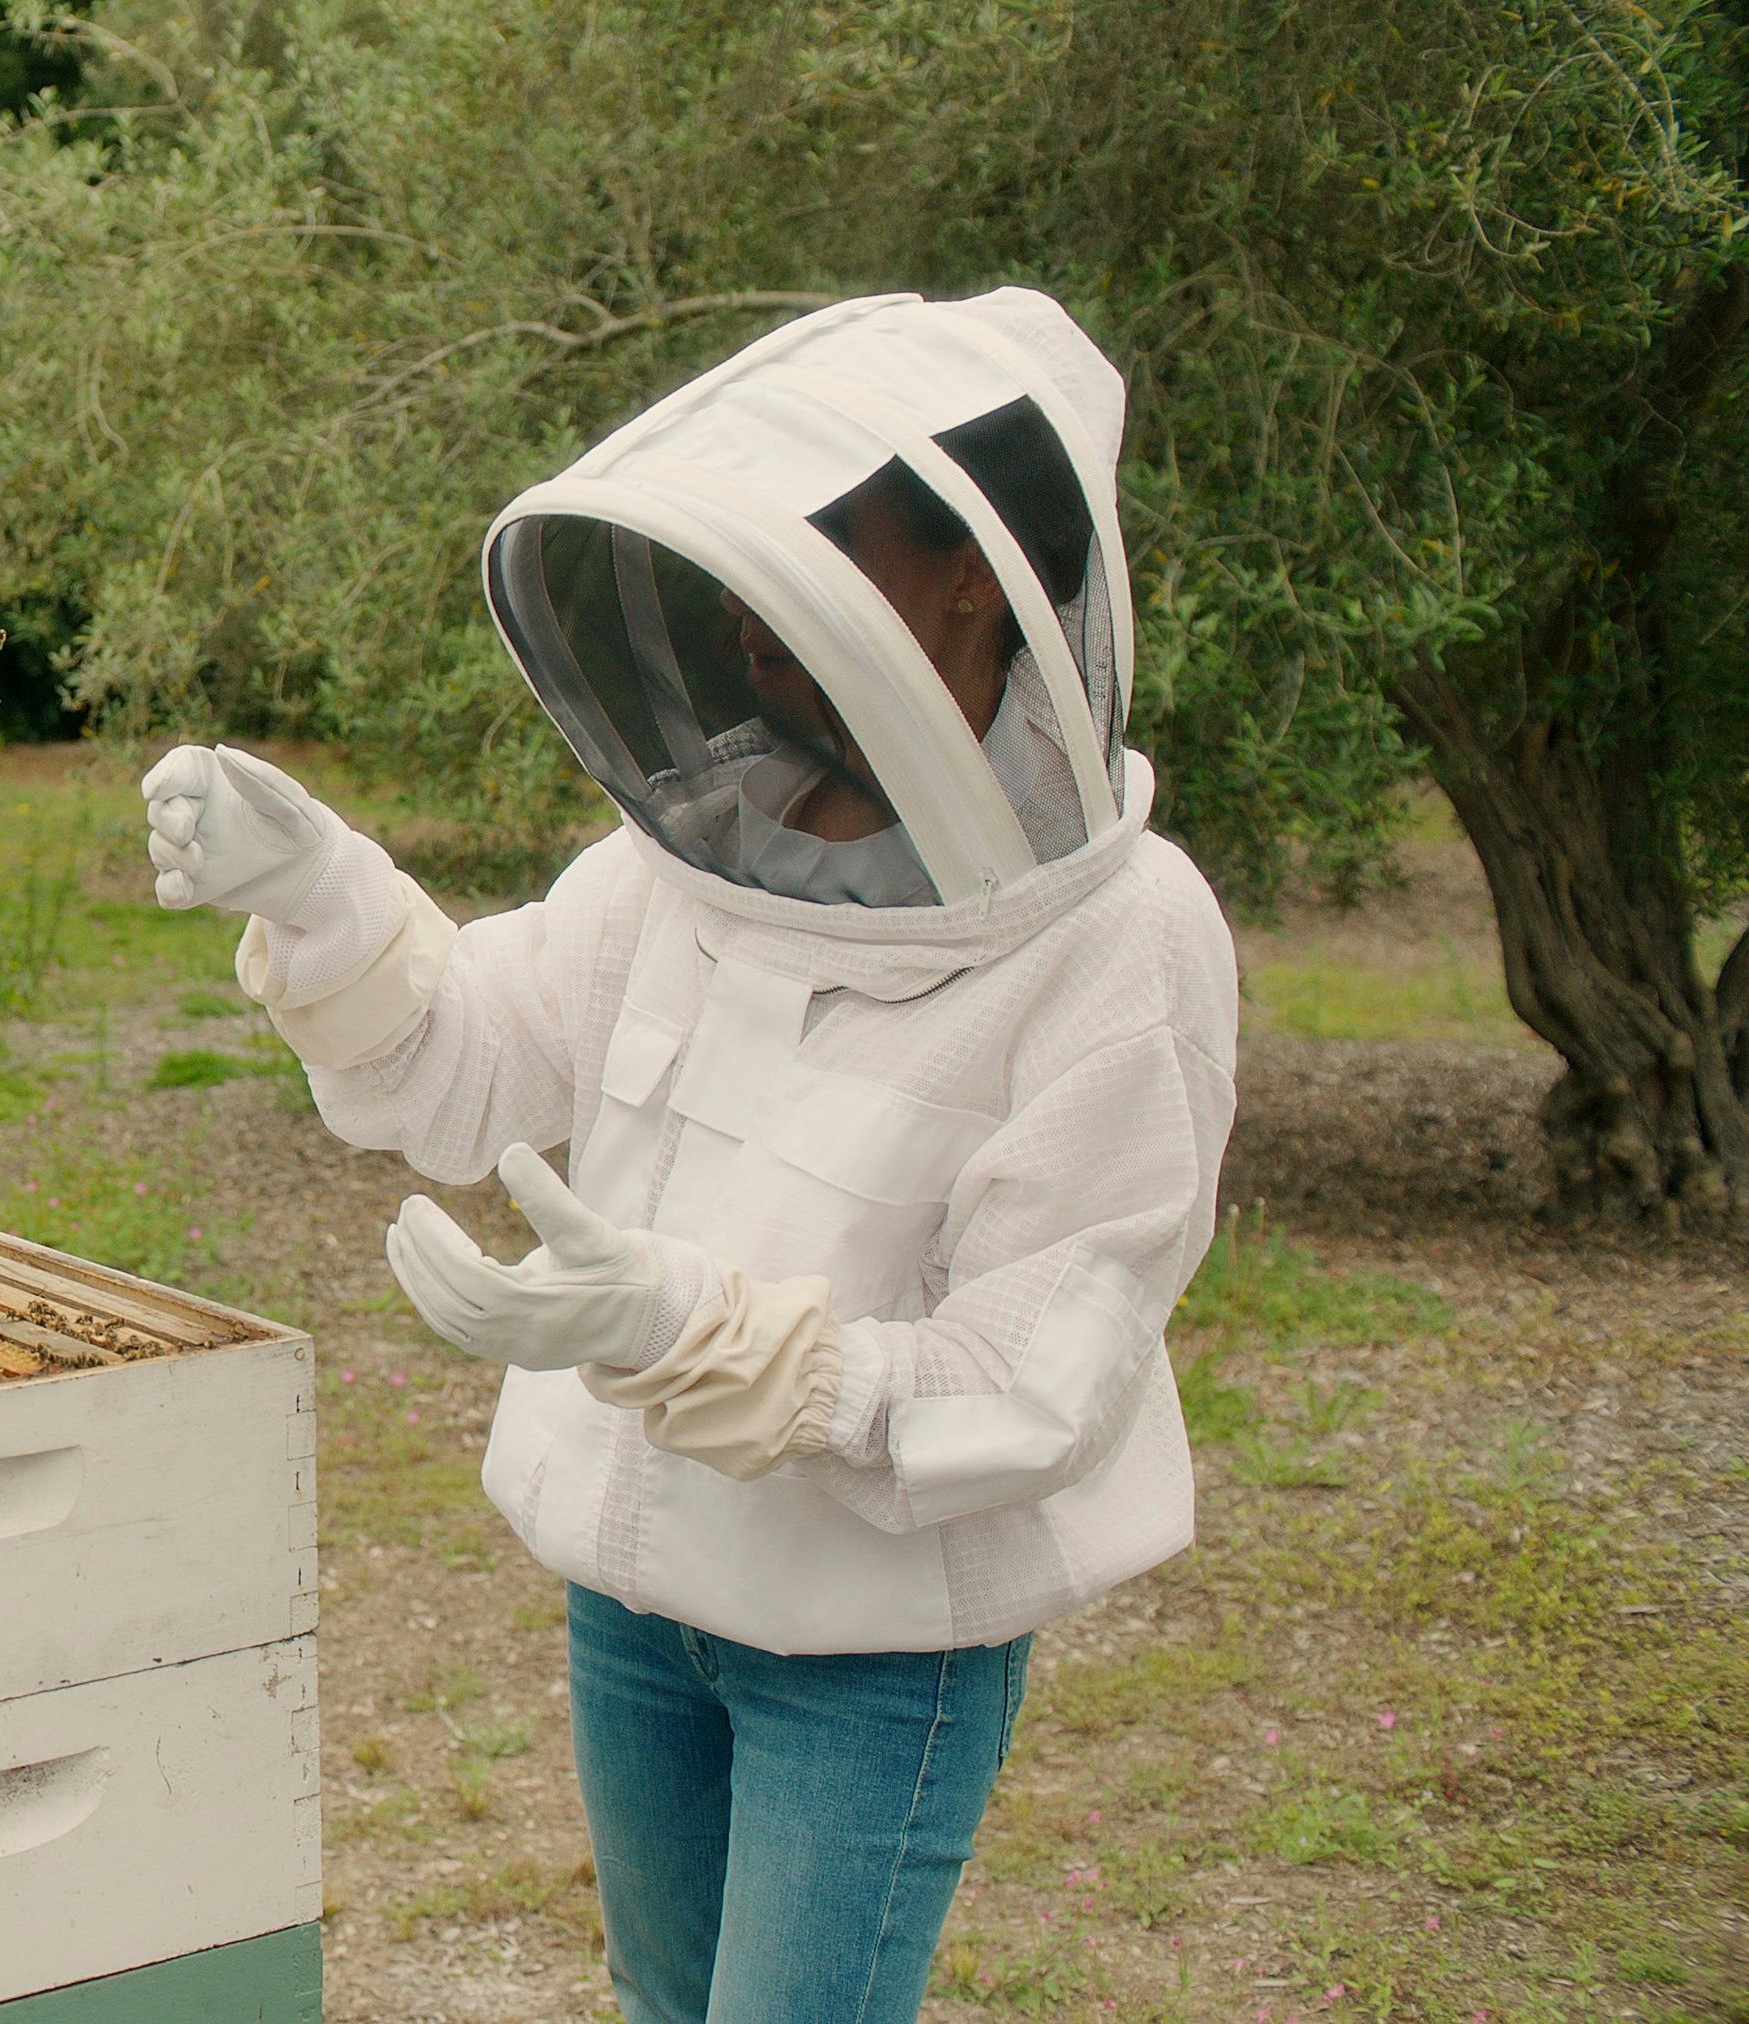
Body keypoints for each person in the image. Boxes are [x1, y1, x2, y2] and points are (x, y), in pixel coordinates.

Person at [142, 289, 1237, 2022]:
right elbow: (466, 1070)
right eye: (741, 562)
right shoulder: (700, 849)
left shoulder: (1121, 941)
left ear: (975, 572)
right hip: (636, 1614)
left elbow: (1039, 1378)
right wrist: (323, 896)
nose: (746, 614)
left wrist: (685, 1332)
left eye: (815, 552)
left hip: (875, 1663)